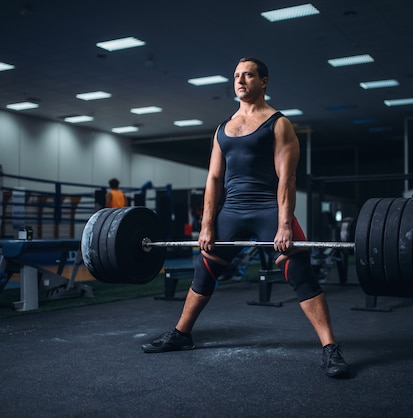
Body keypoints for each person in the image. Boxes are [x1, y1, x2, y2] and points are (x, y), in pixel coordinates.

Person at [141, 57, 350, 378]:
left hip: (269, 208)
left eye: (248, 75)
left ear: (263, 81)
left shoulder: (278, 123)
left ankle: (330, 348)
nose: (240, 81)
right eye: (236, 76)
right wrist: (207, 223)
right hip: (232, 211)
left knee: (300, 273)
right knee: (204, 269)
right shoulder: (223, 128)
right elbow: (213, 179)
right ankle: (181, 334)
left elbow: (287, 178)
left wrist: (284, 223)